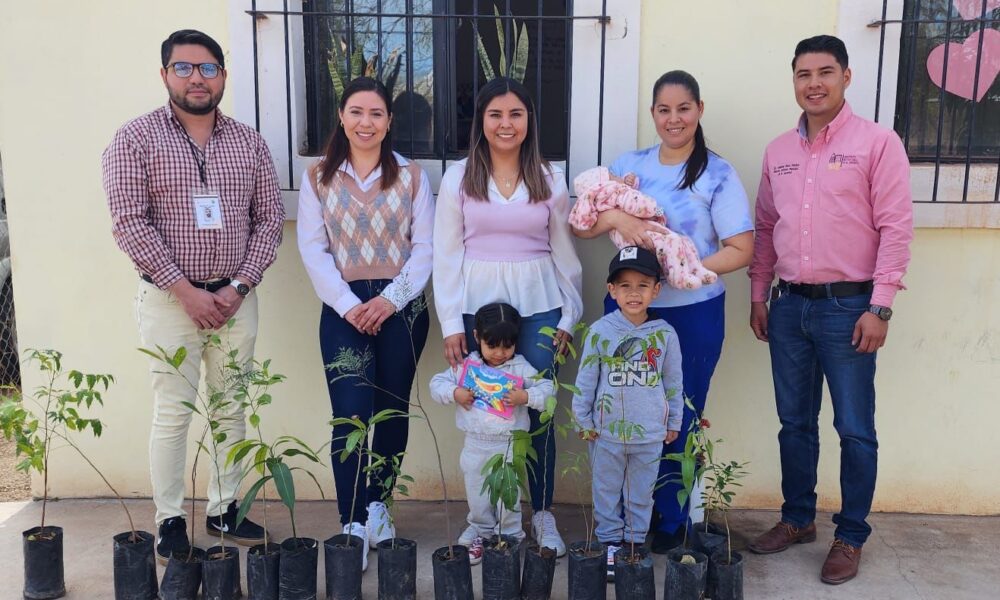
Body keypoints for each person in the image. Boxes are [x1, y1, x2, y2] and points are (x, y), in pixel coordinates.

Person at [102, 29, 284, 563]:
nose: (197, 78)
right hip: (169, 302)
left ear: (224, 75)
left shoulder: (249, 142)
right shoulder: (135, 139)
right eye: (183, 68)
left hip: (235, 300)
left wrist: (238, 286)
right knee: (173, 412)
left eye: (207, 68)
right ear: (164, 76)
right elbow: (129, 223)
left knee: (232, 410)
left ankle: (226, 507)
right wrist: (185, 291)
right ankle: (170, 519)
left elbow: (269, 222)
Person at [747, 35, 913, 585]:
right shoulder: (778, 152)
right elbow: (767, 229)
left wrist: (880, 307)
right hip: (789, 305)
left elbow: (895, 228)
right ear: (793, 80)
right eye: (802, 74)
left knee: (854, 427)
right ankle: (798, 519)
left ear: (846, 76)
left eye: (824, 72)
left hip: (850, 309)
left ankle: (850, 534)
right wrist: (758, 294)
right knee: (794, 424)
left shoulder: (878, 143)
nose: (813, 83)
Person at [572, 70, 754, 552]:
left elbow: (741, 248)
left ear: (699, 110)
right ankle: (625, 521)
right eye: (663, 110)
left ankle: (669, 521)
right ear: (652, 113)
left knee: (678, 412)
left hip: (692, 315)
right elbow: (585, 222)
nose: (674, 119)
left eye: (684, 108)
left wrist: (684, 270)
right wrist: (615, 217)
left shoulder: (717, 173)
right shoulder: (629, 167)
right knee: (621, 409)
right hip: (629, 314)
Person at [433, 76, 583, 556]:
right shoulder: (459, 177)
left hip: (540, 307)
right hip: (479, 308)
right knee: (484, 407)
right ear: (481, 120)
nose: (505, 123)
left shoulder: (549, 177)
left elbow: (564, 254)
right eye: (495, 114)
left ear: (529, 120)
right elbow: (445, 254)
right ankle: (484, 519)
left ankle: (540, 512)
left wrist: (569, 315)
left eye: (515, 114)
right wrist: (453, 323)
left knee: (535, 407)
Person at [297, 76, 433, 571]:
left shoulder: (412, 177)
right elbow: (312, 248)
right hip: (343, 308)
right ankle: (351, 519)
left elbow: (425, 250)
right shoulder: (318, 178)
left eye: (376, 113)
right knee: (350, 414)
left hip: (402, 308)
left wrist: (390, 300)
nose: (366, 122)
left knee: (392, 412)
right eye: (356, 112)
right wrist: (349, 304)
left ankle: (380, 508)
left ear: (389, 121)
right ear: (341, 116)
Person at [573, 246, 683, 580]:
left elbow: (673, 381)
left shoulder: (664, 334)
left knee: (641, 492)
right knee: (605, 490)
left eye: (642, 284)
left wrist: (673, 421)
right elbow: (586, 380)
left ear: (656, 290)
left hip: (649, 433)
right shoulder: (600, 332)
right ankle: (609, 544)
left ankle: (634, 545)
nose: (634, 293)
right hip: (606, 434)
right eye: (624, 285)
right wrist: (584, 421)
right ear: (612, 290)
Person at [429, 303, 554, 565]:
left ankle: (509, 534)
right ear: (476, 337)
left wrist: (526, 396)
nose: (500, 353)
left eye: (507, 346)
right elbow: (436, 384)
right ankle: (481, 529)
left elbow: (548, 387)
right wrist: (455, 393)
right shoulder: (466, 366)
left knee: (508, 494)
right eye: (492, 345)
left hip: (510, 444)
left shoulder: (520, 367)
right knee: (477, 492)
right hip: (475, 443)